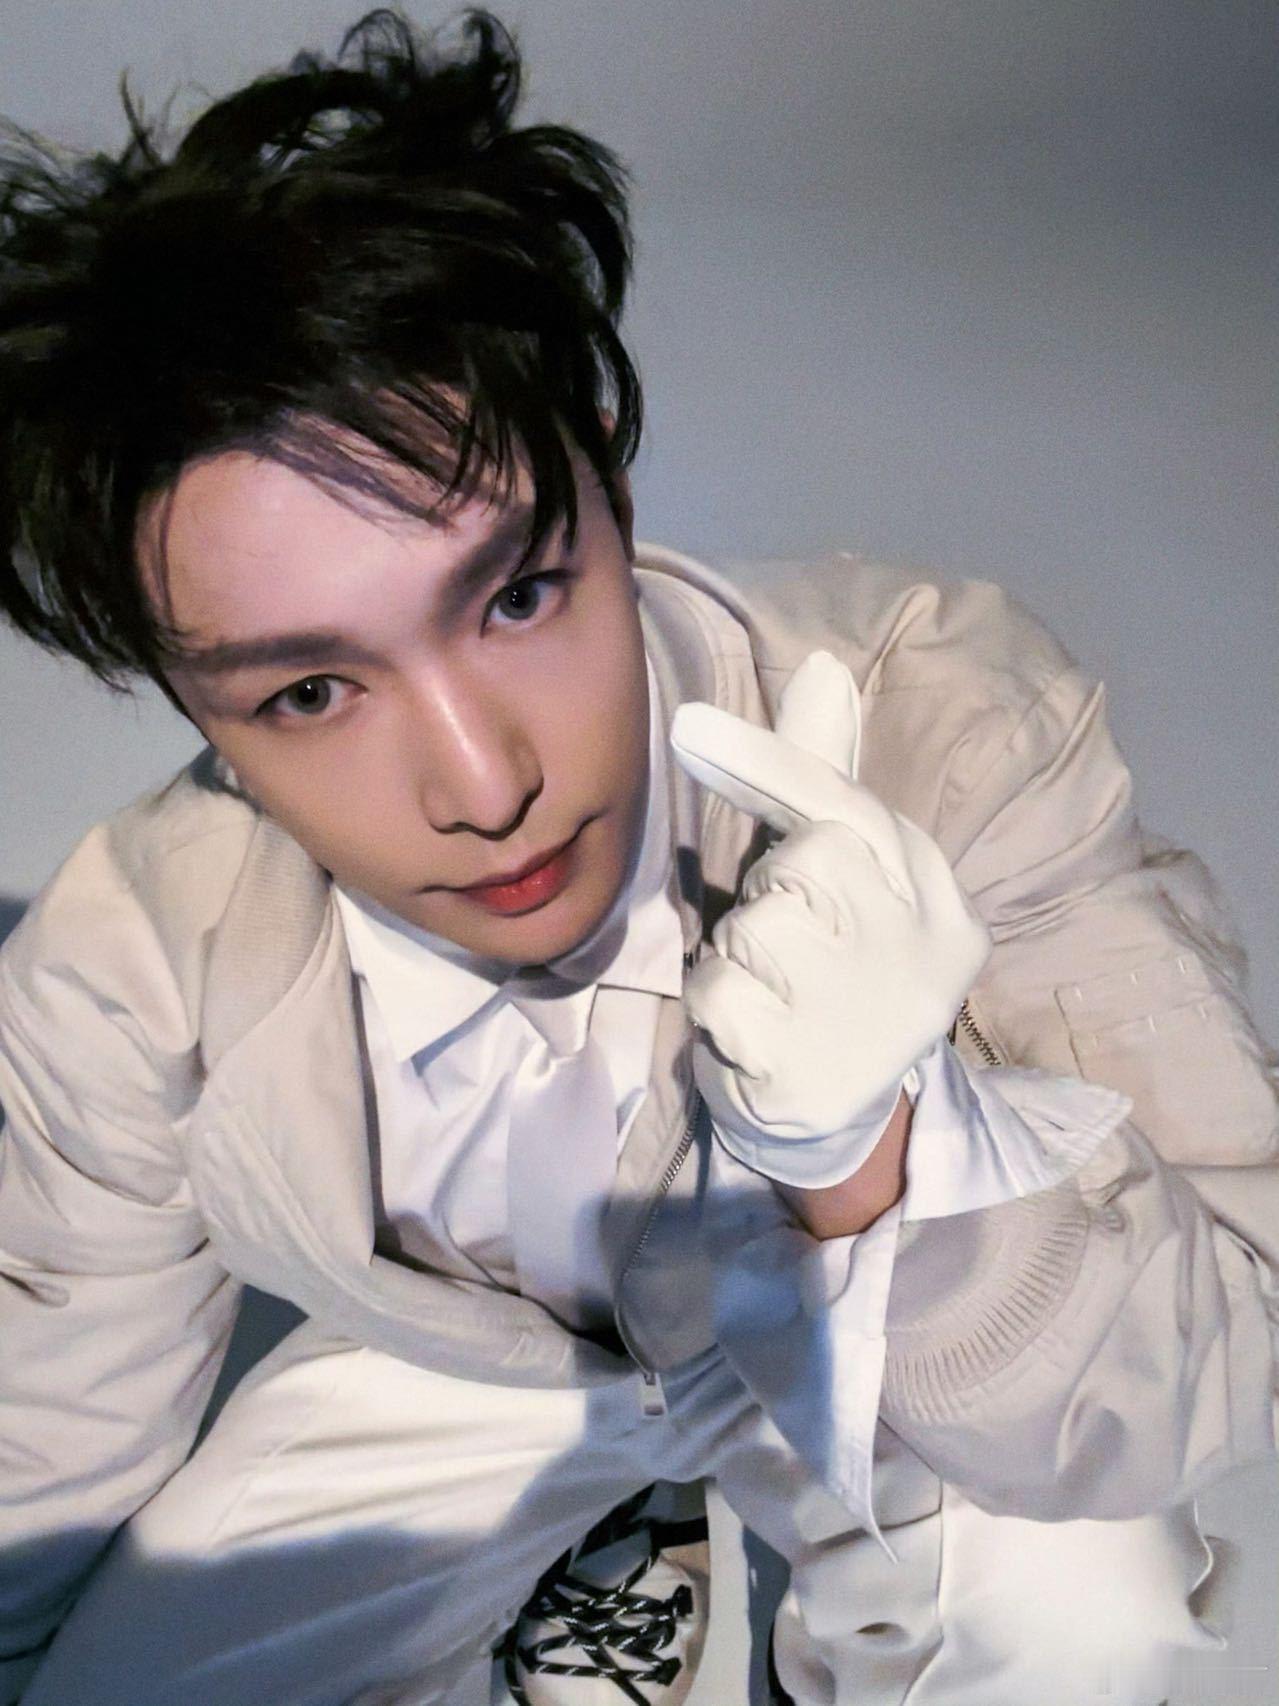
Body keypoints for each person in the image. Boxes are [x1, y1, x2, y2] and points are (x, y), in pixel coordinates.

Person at [0, 11, 1275, 1706]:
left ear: (603, 461)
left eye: (518, 593)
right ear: (193, 706)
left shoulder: (944, 717)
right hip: (478, 1375)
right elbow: (46, 1443)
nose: (486, 784)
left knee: (1083, 1626)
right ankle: (608, 1525)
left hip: (848, 1329)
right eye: (311, 691)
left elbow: (1217, 1366)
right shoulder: (132, 956)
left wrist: (881, 1151)